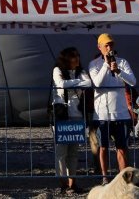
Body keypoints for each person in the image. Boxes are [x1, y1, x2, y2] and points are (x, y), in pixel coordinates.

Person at [89, 33, 136, 184]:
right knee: (103, 147)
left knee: (121, 148)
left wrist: (118, 71)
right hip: (102, 114)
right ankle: (104, 177)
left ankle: (123, 178)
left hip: (121, 113)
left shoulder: (122, 62)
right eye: (106, 45)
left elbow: (133, 82)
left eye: (111, 45)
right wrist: (106, 64)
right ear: (100, 47)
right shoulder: (94, 64)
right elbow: (97, 83)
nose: (109, 48)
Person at [51, 47, 91, 195]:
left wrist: (72, 82)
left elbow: (88, 83)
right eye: (74, 57)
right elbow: (60, 84)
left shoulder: (82, 71)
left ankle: (72, 182)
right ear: (67, 58)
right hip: (62, 114)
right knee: (61, 152)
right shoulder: (57, 70)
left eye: (78, 56)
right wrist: (78, 82)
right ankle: (63, 183)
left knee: (74, 152)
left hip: (77, 114)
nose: (77, 59)